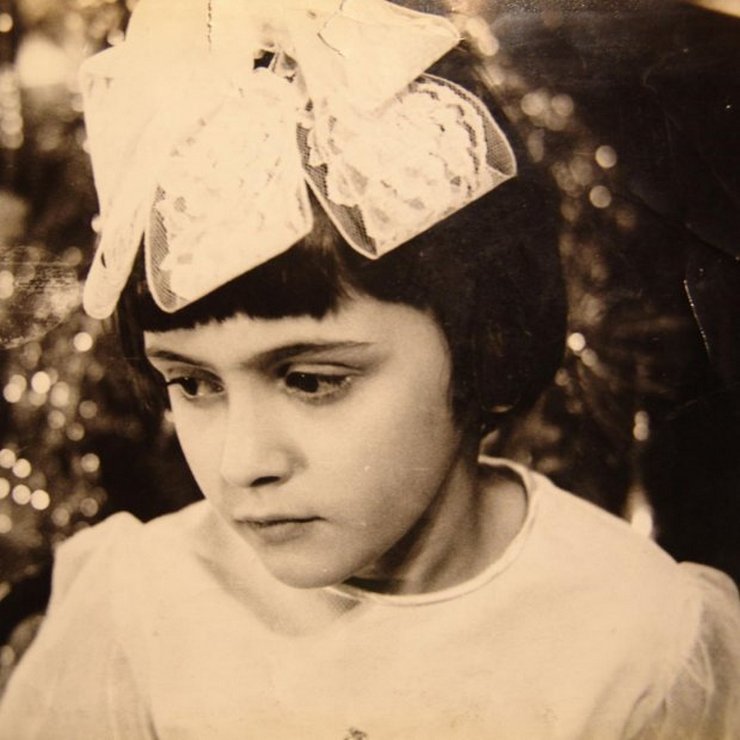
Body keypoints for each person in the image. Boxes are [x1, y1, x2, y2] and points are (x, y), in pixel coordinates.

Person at [1, 1, 739, 737]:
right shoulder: (135, 609)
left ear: (485, 344)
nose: (242, 463)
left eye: (312, 381)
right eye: (194, 384)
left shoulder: (642, 642)